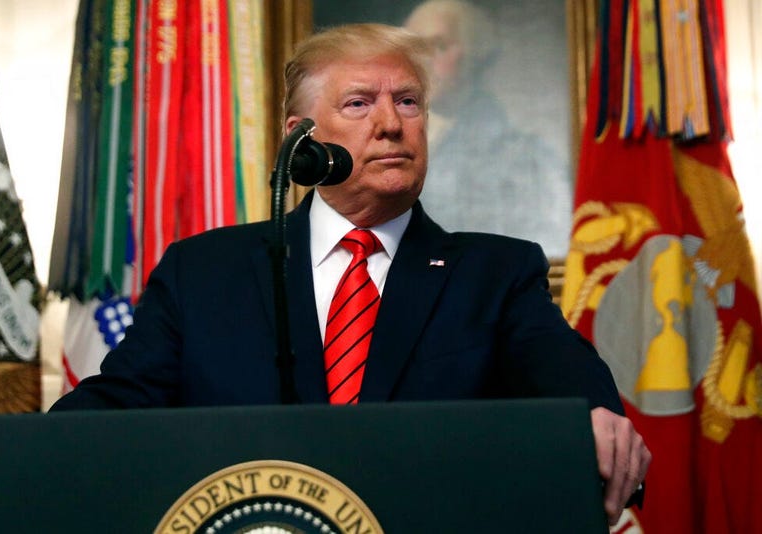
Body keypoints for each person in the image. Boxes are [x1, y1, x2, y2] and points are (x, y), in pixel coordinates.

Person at [51, 23, 650, 525]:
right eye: (359, 103)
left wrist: (596, 414)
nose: (391, 123)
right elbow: (123, 400)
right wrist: (15, 455)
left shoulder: (494, 272)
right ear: (300, 140)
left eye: (408, 101)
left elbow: (562, 367)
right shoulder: (205, 272)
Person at [404, 0, 572, 257]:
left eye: (438, 46)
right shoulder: (386, 143)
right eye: (413, 51)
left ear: (474, 55)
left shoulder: (526, 157)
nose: (422, 63)